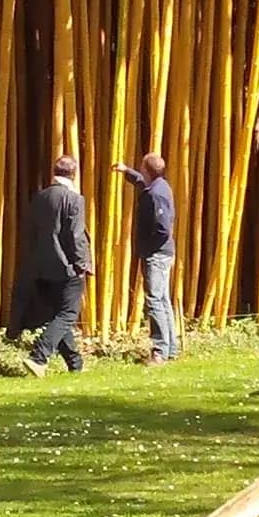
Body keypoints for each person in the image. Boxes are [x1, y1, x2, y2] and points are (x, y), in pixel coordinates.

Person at [14, 154, 94, 375]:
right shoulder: (74, 199)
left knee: (56, 315)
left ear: (55, 172)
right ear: (74, 174)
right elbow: (76, 235)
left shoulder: (40, 197)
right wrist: (82, 264)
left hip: (41, 267)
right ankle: (39, 356)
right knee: (68, 313)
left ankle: (75, 364)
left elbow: (31, 232)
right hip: (66, 266)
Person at [112, 153, 178, 363]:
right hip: (163, 252)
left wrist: (148, 248)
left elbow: (162, 228)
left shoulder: (155, 194)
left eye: (141, 168)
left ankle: (159, 351)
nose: (140, 171)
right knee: (163, 300)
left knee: (155, 301)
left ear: (147, 170)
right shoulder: (160, 186)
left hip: (156, 254)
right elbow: (142, 182)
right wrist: (126, 171)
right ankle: (171, 348)